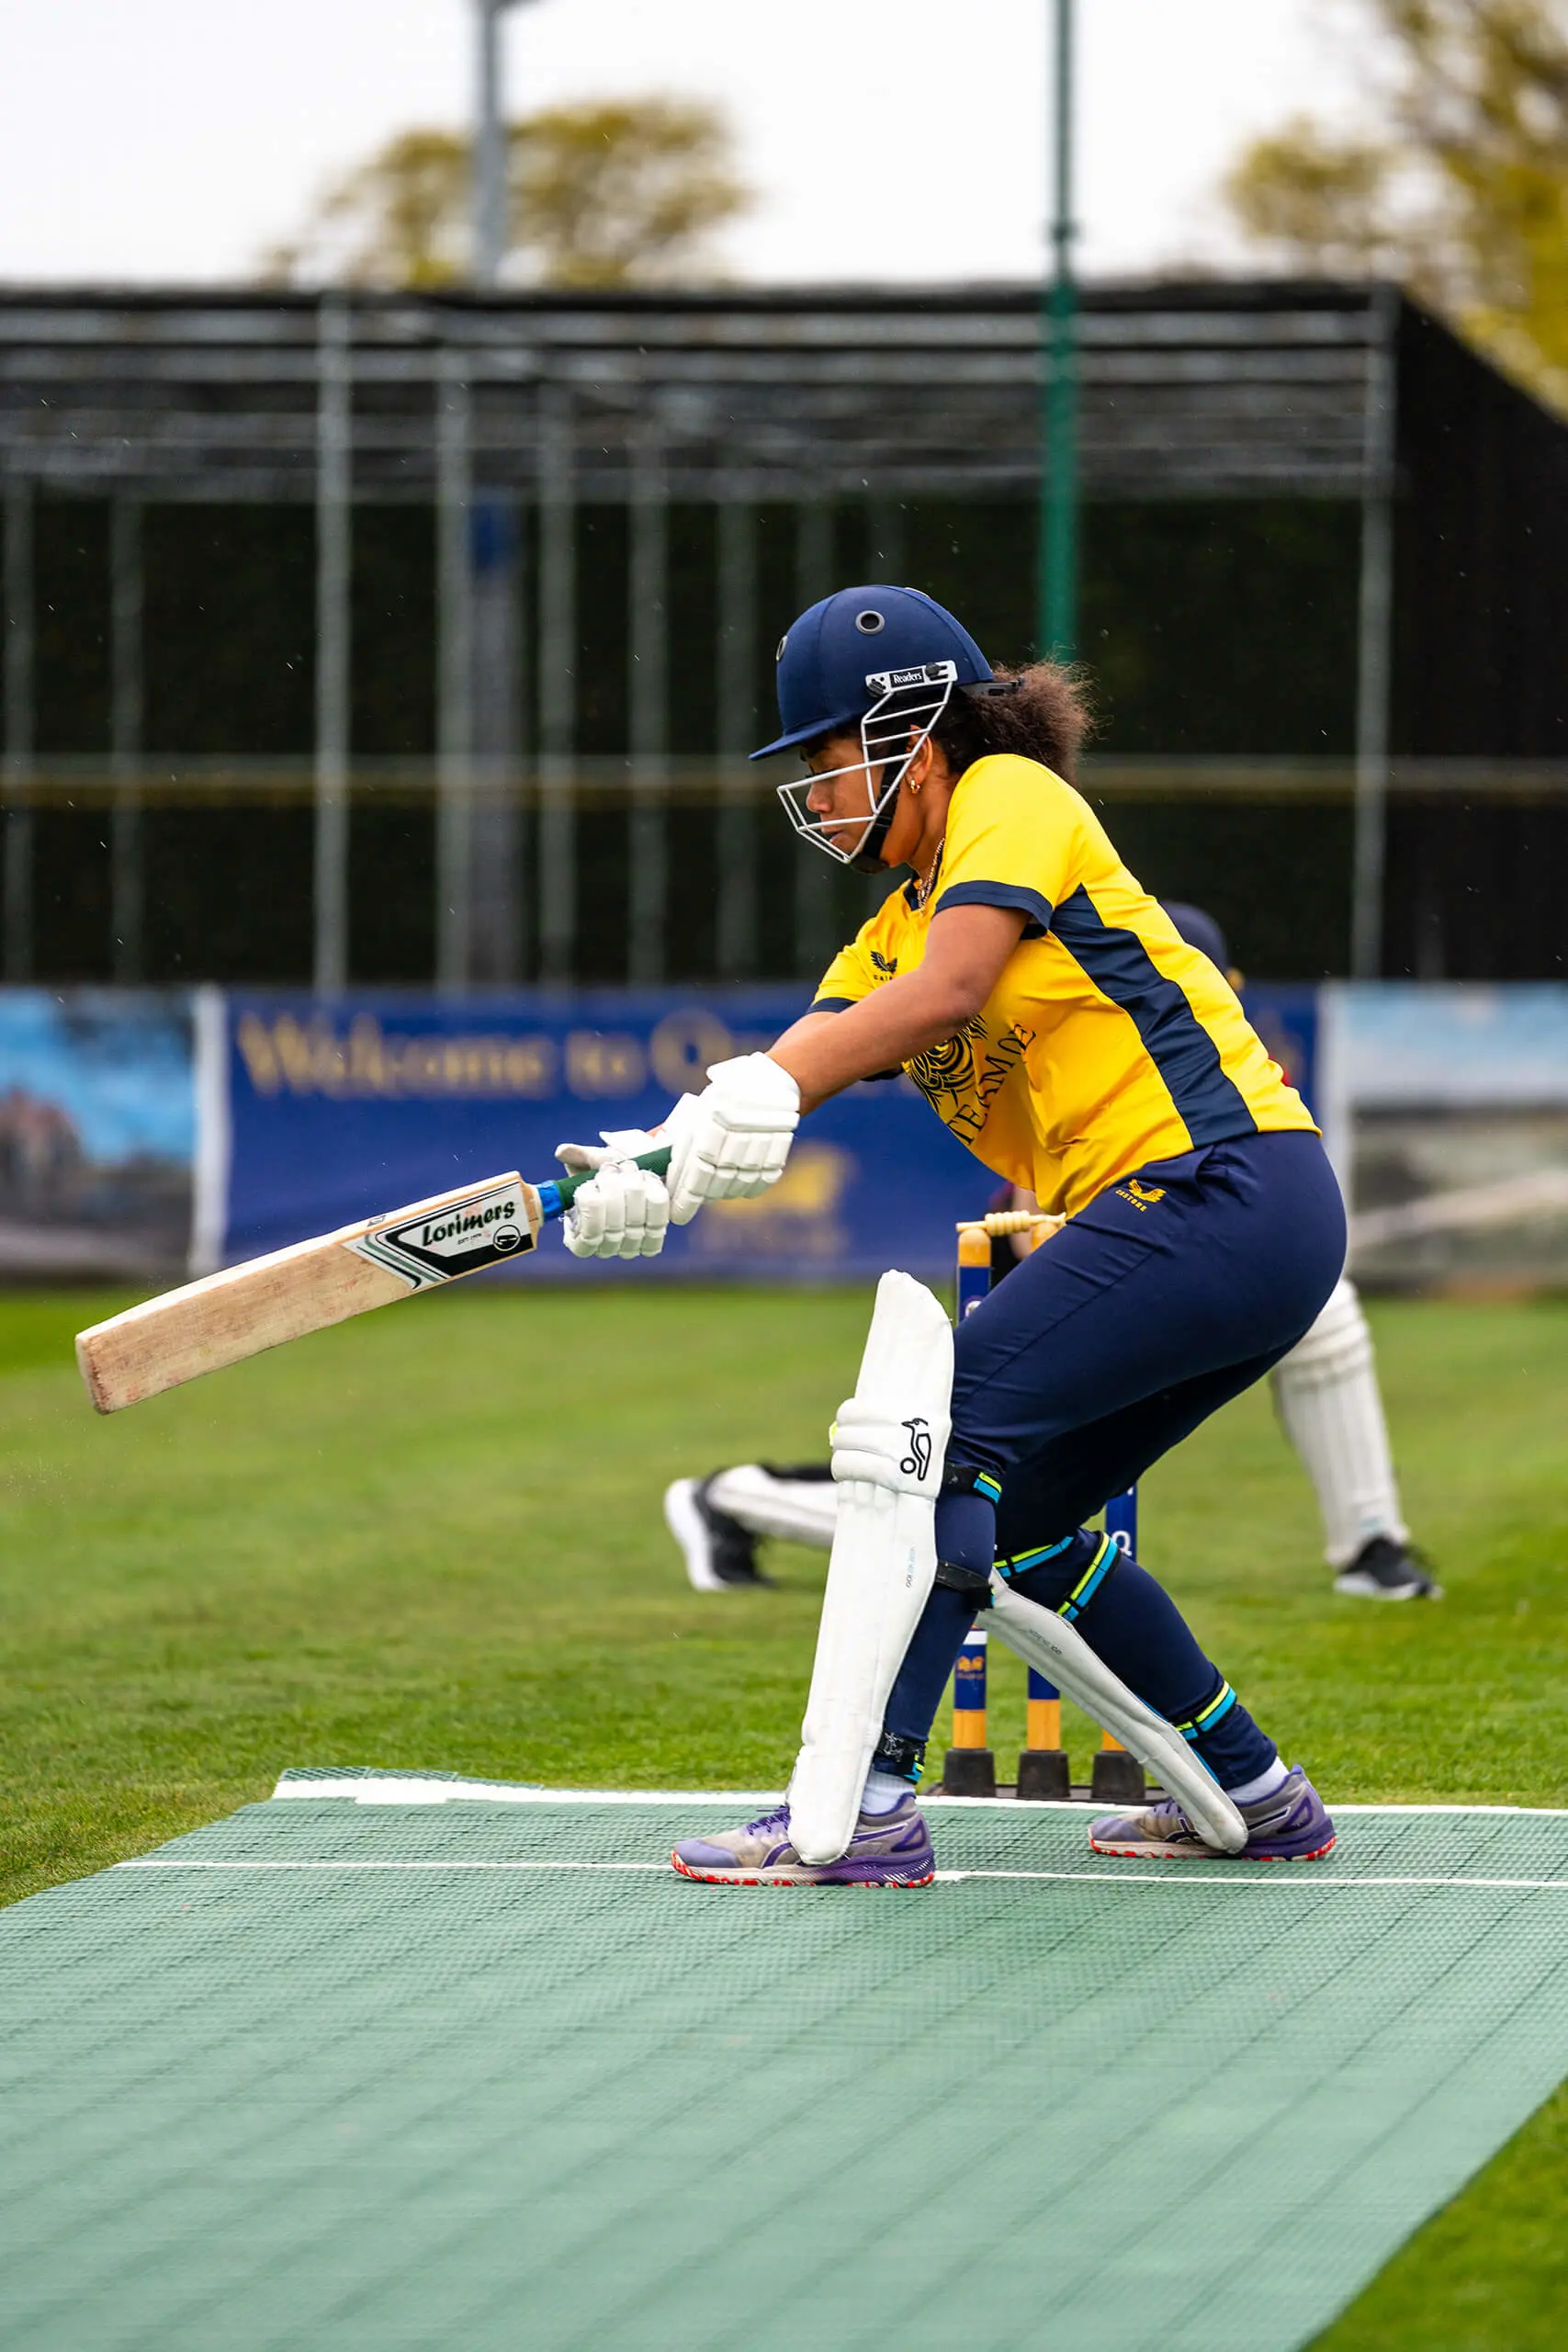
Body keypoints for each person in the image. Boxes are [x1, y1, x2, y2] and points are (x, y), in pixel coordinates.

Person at [556, 585, 1348, 1883]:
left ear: (910, 733)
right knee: (1020, 1523)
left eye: (826, 761)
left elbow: (955, 987)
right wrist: (655, 1163)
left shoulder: (1013, 800)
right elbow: (790, 1062)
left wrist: (767, 1092)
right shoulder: (889, 928)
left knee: (931, 1447)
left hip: (1220, 1186)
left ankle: (861, 1805)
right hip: (1218, 1223)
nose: (814, 797)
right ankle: (1257, 1793)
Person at [664, 901, 1438, 1604]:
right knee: (957, 1495)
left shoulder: (1197, 1037)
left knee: (1321, 1311)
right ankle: (737, 1496)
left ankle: (1370, 1545)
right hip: (1068, 1244)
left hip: (1175, 1228)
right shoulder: (1083, 992)